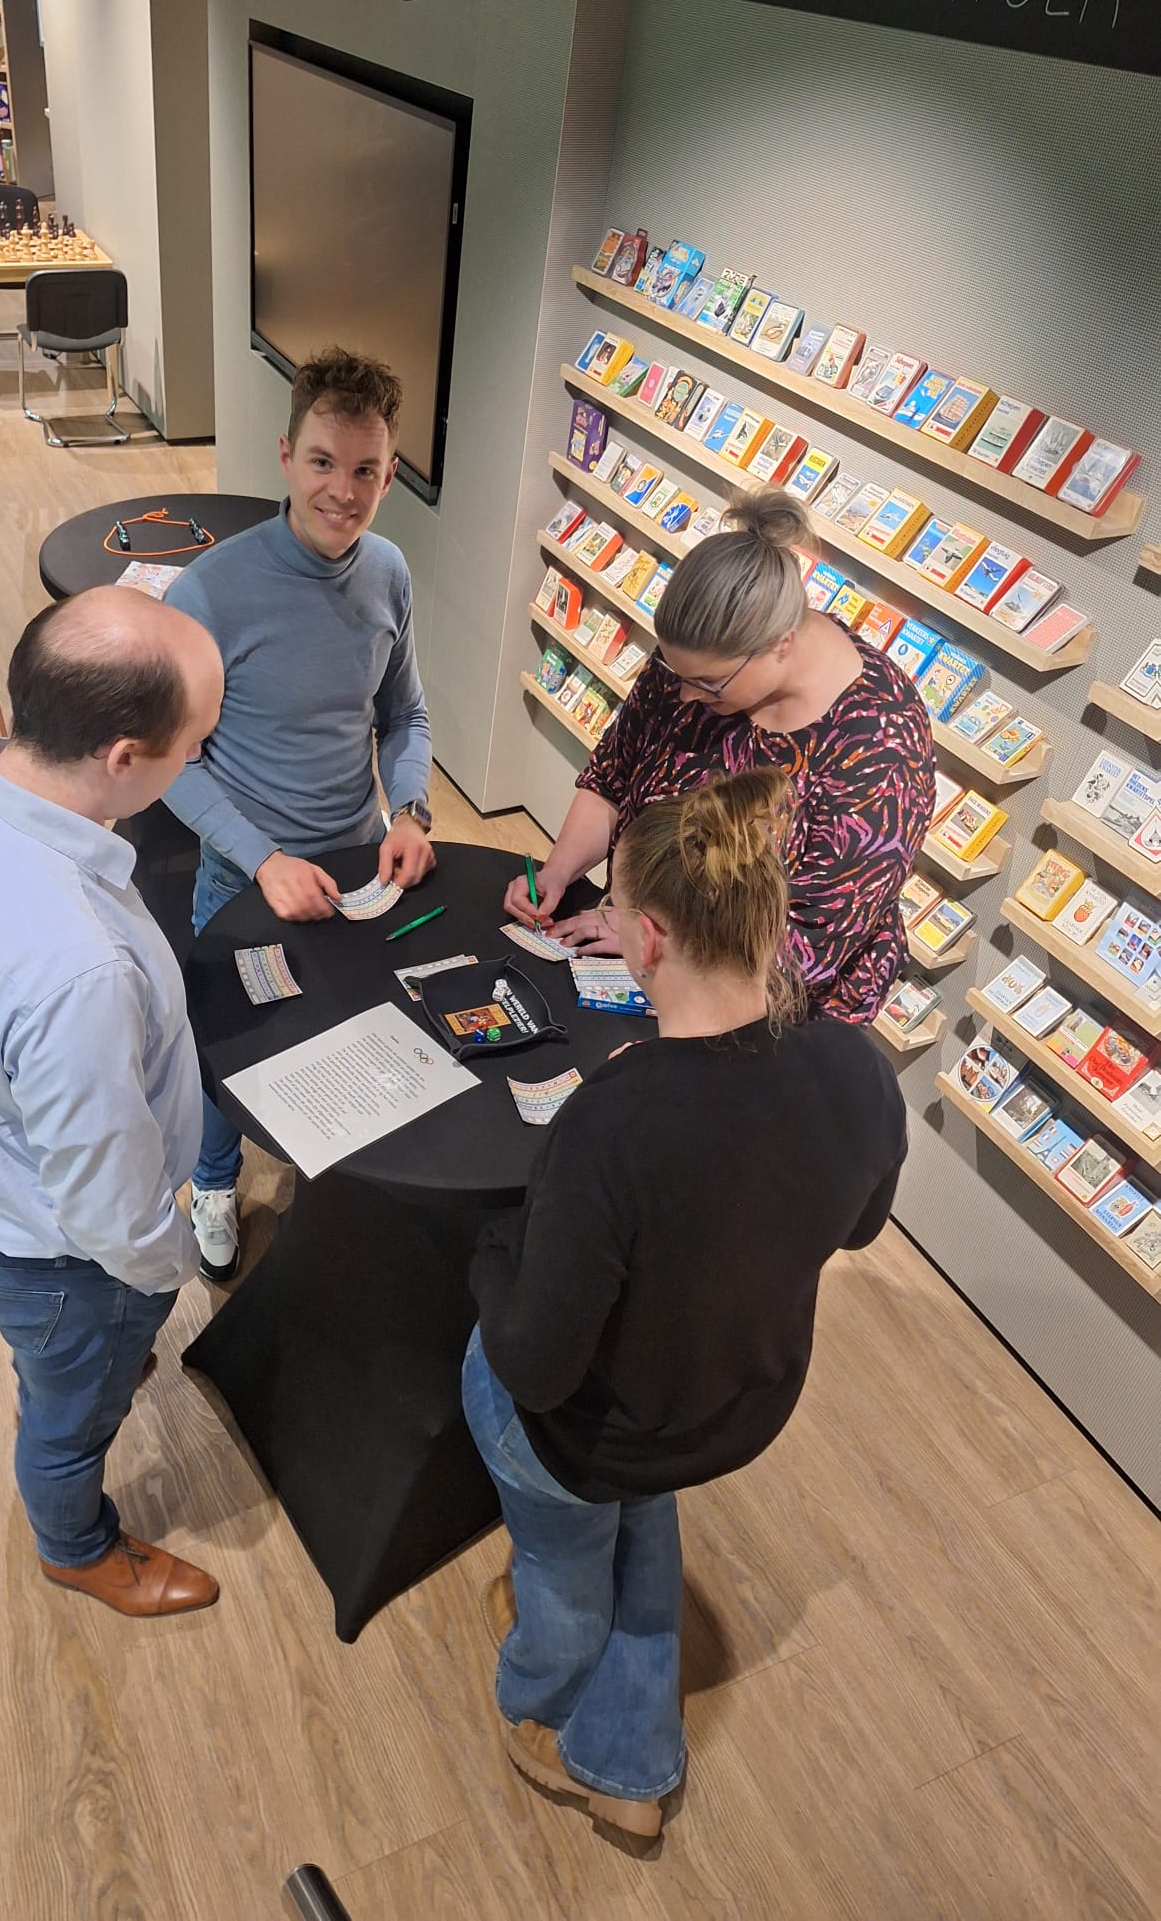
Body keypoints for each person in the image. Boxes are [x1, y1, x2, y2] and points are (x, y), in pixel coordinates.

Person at [466, 769, 907, 1840]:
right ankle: (630, 1759)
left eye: (614, 910)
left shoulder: (612, 1126)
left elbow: (537, 1367)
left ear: (649, 939)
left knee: (561, 1555)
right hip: (738, 1400)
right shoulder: (857, 1068)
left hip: (599, 1427)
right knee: (643, 1505)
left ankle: (545, 1701)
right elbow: (857, 1228)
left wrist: (488, 1255)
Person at [0, 587, 226, 1619]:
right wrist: (166, 1269)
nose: (200, 758)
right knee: (69, 1422)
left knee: (61, 1370)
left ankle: (74, 1371)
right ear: (123, 758)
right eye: (195, 743)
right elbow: (109, 1209)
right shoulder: (76, 971)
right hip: (61, 1262)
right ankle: (75, 1546)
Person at [164, 347, 435, 1279]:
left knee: (346, 1034)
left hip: (360, 871)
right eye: (323, 462)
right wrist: (262, 858)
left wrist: (412, 811)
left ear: (389, 474)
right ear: (286, 456)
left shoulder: (389, 573)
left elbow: (405, 715)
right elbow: (171, 764)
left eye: (365, 470)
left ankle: (338, 1190)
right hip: (245, 881)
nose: (343, 492)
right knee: (228, 1058)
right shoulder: (208, 592)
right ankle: (211, 1181)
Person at [504, 490, 934, 1021]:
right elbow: (613, 776)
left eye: (707, 684)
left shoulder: (881, 745)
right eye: (675, 674)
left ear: (780, 644)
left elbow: (809, 946)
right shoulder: (698, 658)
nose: (684, 697)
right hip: (646, 957)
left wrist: (656, 944)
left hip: (770, 1017)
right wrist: (558, 871)